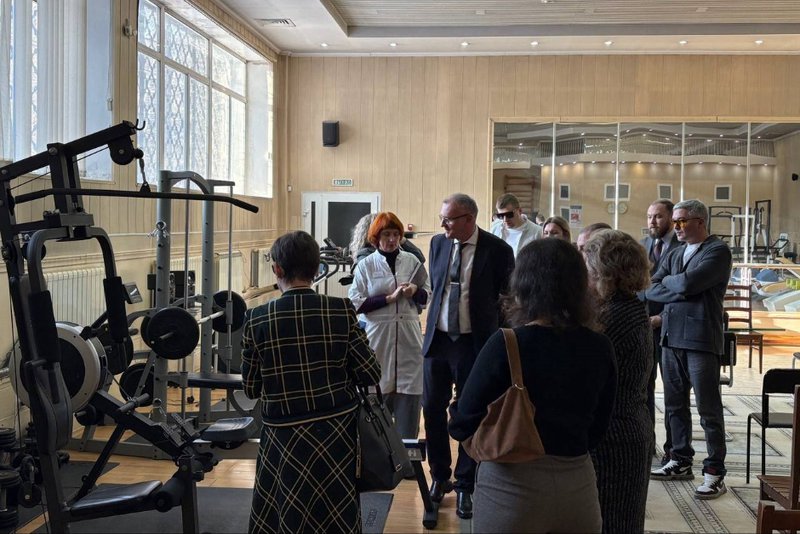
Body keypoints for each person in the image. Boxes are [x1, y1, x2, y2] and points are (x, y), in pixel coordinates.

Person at [449, 238, 616, 533]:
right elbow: (600, 427)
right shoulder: (601, 346)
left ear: (523, 285)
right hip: (577, 487)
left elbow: (463, 422)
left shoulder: (506, 343)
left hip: (510, 488)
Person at [241, 231, 381, 533]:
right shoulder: (341, 310)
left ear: (277, 269)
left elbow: (251, 389)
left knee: (284, 510)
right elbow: (370, 373)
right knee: (335, 512)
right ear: (317, 269)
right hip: (335, 432)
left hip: (282, 435)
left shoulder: (257, 318)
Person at [422, 193, 515, 519]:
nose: (443, 225)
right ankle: (439, 476)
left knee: (470, 411)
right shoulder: (438, 244)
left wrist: (498, 344)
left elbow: (507, 300)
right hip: (438, 341)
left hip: (473, 343)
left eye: (448, 219)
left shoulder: (498, 250)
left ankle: (465, 484)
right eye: (442, 218)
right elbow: (437, 289)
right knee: (431, 408)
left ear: (469, 219)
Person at [647, 199, 732, 500]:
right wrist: (680, 287)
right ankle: (680, 459)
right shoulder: (675, 252)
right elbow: (651, 287)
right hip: (670, 338)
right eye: (676, 221)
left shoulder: (717, 251)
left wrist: (676, 286)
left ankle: (715, 472)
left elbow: (689, 284)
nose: (677, 227)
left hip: (700, 340)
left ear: (700, 221)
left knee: (709, 409)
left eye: (682, 221)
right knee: (674, 405)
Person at [583, 230, 653, 533]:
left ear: (604, 272)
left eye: (588, 267)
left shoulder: (614, 316)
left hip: (615, 438)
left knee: (613, 523)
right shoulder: (627, 306)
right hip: (627, 428)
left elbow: (586, 377)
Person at [348, 212, 430, 443]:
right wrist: (388, 299)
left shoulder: (412, 262)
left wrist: (415, 291)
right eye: (386, 235)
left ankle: (409, 457)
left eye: (395, 234)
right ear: (376, 238)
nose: (392, 239)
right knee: (377, 412)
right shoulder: (366, 265)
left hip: (409, 338)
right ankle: (379, 457)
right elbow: (355, 302)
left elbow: (428, 294)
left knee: (408, 411)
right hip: (378, 339)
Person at [641, 199, 683, 464]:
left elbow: (684, 293)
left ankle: (674, 450)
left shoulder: (683, 247)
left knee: (673, 394)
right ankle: (646, 445)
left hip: (671, 329)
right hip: (644, 328)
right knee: (643, 390)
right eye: (649, 216)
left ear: (671, 218)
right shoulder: (644, 245)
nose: (652, 221)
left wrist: (662, 318)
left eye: (658, 216)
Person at [348, 212, 425, 266]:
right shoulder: (365, 254)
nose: (392, 239)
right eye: (386, 233)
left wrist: (401, 238)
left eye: (395, 233)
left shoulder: (394, 249)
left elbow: (420, 259)